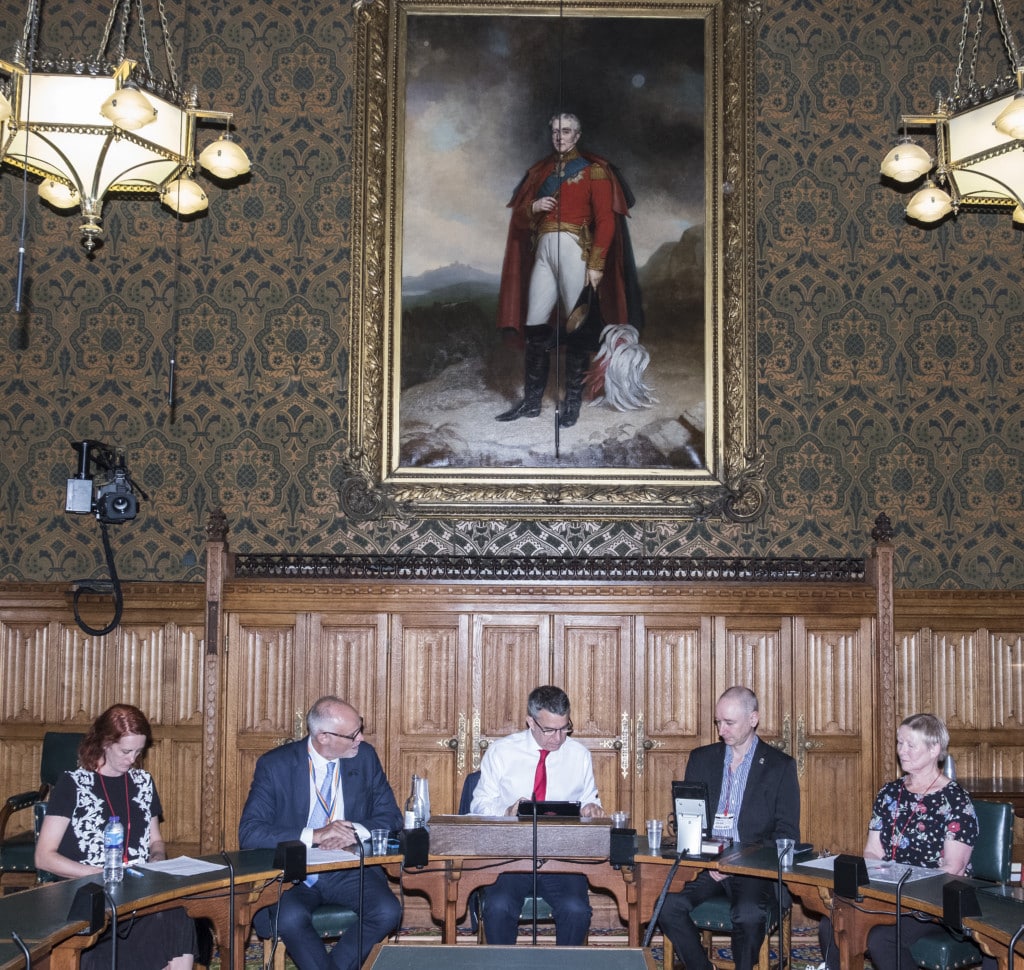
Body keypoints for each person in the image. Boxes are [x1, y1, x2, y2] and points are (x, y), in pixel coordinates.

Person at [495, 112, 643, 428]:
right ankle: (532, 403)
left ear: (577, 135)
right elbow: (521, 219)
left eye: (566, 131)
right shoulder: (541, 173)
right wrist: (533, 207)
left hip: (575, 250)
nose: (560, 137)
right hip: (544, 254)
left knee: (577, 326)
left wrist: (597, 263)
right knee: (535, 323)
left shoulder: (594, 172)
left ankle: (572, 402)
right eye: (555, 132)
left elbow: (605, 221)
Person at [239, 696, 402, 970]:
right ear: (324, 736)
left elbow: (392, 816)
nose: (360, 738)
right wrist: (316, 835)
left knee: (388, 910)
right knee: (289, 917)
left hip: (346, 867)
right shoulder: (276, 765)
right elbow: (250, 832)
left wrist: (352, 831)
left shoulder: (364, 758)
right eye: (353, 734)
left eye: (359, 729)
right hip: (295, 872)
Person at [35, 704, 199, 970]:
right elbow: (44, 857)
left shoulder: (143, 782)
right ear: (104, 742)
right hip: (86, 894)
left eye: (138, 751)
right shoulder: (73, 784)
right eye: (126, 751)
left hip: (136, 891)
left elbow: (155, 840)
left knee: (176, 916)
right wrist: (100, 873)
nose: (132, 759)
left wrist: (157, 859)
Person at [818, 713, 978, 970]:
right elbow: (872, 851)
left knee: (883, 940)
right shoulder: (889, 792)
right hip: (888, 896)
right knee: (832, 925)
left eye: (910, 745)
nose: (901, 751)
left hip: (932, 902)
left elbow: (953, 869)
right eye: (899, 743)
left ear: (934, 748)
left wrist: (905, 890)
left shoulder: (956, 800)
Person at [658, 686, 800, 970]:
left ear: (753, 719)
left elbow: (786, 834)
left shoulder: (779, 766)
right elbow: (690, 818)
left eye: (729, 723)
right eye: (718, 722)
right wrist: (707, 857)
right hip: (708, 865)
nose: (722, 730)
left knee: (748, 914)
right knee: (666, 905)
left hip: (753, 869)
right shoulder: (702, 758)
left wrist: (736, 862)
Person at [470, 684, 605, 945]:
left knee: (576, 910)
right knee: (498, 907)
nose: (558, 737)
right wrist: (506, 811)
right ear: (530, 722)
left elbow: (590, 801)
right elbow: (479, 805)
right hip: (511, 858)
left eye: (564, 728)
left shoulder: (579, 756)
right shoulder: (501, 752)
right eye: (549, 730)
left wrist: (591, 809)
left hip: (561, 860)